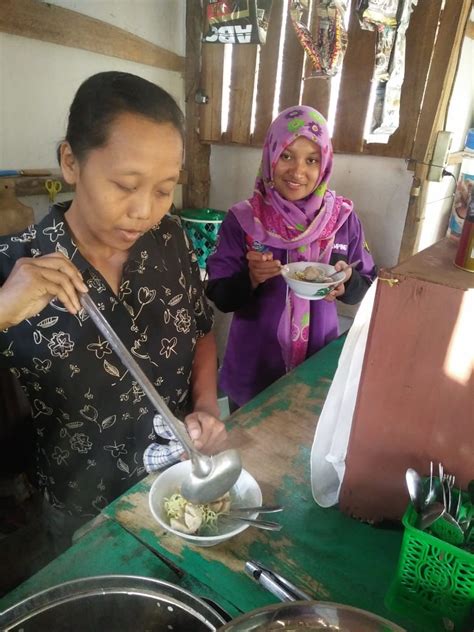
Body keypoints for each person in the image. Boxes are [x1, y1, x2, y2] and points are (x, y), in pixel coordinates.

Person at [0, 71, 227, 546]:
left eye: (164, 189)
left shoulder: (169, 240)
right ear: (70, 162)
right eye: (126, 185)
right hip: (81, 507)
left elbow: (200, 329)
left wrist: (206, 405)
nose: (144, 211)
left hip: (176, 482)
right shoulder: (15, 264)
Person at [206, 106, 376, 409]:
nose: (298, 172)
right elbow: (220, 296)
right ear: (270, 156)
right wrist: (251, 279)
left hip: (314, 368)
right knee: (250, 448)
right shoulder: (244, 219)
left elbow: (365, 283)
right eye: (286, 155)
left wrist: (346, 284)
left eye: (311, 160)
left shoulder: (342, 219)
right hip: (253, 367)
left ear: (324, 164)